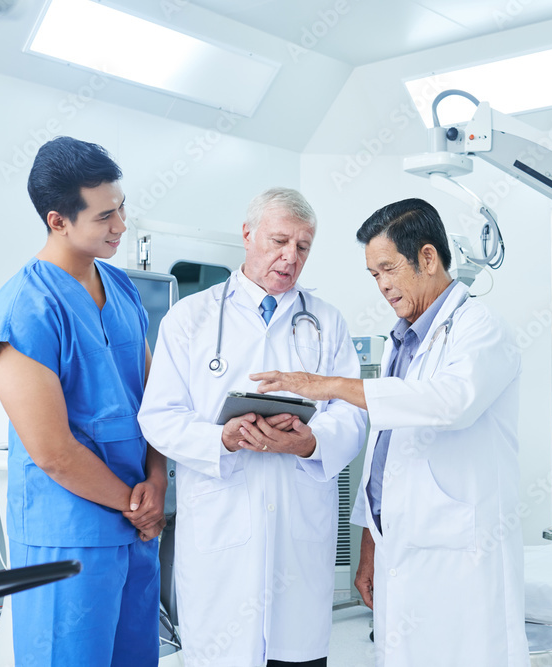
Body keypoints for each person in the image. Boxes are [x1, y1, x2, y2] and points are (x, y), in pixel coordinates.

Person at [251, 198, 530, 667]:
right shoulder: (400, 341)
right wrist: (369, 547)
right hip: (400, 548)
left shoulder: (482, 329)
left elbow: (450, 403)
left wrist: (331, 386)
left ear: (427, 257)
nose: (381, 286)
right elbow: (385, 457)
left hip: (459, 555)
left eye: (387, 269)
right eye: (373, 275)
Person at [137, 187, 366, 667]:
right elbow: (158, 417)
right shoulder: (189, 320)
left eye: (303, 247)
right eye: (280, 241)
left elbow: (352, 415)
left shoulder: (327, 323)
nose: (290, 257)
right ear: (247, 234)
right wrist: (220, 437)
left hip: (298, 543)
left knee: (296, 655)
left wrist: (311, 442)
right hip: (222, 542)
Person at [0, 136, 166, 666]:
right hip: (70, 536)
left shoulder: (122, 288)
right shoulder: (24, 308)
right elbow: (53, 452)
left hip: (135, 525)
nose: (121, 225)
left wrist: (157, 481)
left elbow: (156, 401)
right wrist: (137, 505)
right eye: (106, 215)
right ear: (58, 220)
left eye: (122, 206)